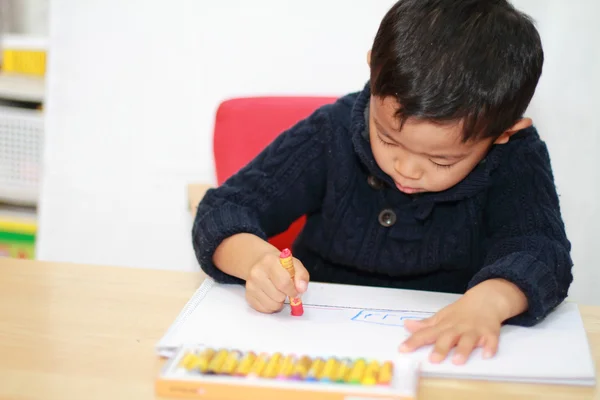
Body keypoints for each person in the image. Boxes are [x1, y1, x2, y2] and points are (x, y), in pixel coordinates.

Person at [191, 0, 573, 365]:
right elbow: (224, 209)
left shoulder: (515, 156)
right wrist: (256, 262)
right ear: (373, 75)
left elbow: (542, 252)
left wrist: (490, 302)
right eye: (388, 138)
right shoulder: (332, 130)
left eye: (442, 160)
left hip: (441, 352)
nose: (406, 169)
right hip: (314, 343)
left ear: (504, 133)